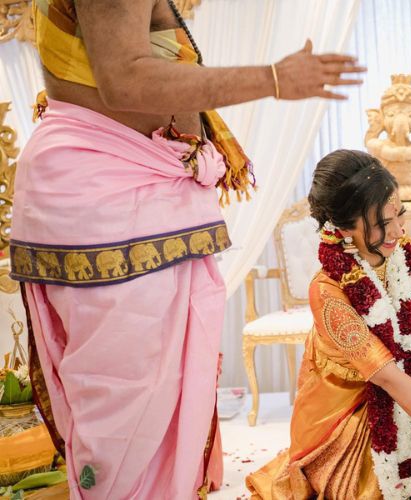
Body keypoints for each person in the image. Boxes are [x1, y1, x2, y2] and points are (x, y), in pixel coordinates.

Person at [10, 1, 364, 498]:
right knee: (125, 405)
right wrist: (273, 78)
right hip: (111, 195)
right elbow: (125, 81)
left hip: (132, 194)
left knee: (150, 398)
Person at [246, 149, 411, 499]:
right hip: (348, 410)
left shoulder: (408, 250)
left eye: (398, 215)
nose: (397, 230)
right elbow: (387, 377)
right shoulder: (328, 291)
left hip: (406, 379)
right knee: (385, 456)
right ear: (344, 228)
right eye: (382, 223)